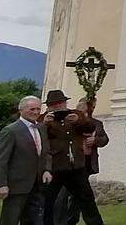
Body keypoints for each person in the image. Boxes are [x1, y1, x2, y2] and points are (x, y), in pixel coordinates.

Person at [41, 90, 103, 225]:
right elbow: (38, 137)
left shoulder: (76, 114)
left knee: (87, 198)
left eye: (60, 103)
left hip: (76, 166)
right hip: (55, 167)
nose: (58, 106)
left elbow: (90, 127)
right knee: (49, 201)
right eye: (54, 104)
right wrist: (44, 123)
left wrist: (78, 121)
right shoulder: (44, 119)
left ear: (65, 102)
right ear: (49, 106)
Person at [0, 95, 51, 225]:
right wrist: (1, 184)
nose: (36, 112)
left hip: (37, 185)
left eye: (38, 109)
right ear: (21, 110)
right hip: (16, 186)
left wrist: (47, 169)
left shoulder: (41, 128)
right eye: (32, 109)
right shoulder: (11, 131)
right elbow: (0, 160)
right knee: (10, 220)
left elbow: (45, 152)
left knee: (34, 220)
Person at [64, 97, 109, 225]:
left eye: (92, 107)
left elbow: (104, 139)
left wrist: (95, 141)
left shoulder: (97, 123)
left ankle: (73, 219)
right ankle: (71, 219)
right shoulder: (70, 122)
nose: (91, 109)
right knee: (75, 193)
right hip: (72, 163)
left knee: (80, 193)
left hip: (88, 161)